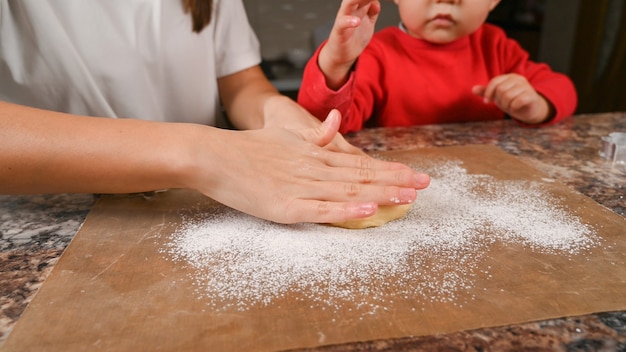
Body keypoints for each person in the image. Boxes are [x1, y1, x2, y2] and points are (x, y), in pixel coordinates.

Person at [0, 0, 430, 224]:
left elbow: (241, 84)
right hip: (55, 217)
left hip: (197, 206)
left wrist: (280, 114)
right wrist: (203, 152)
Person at [297, 0, 578, 134]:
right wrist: (336, 63)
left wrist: (535, 104)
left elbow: (562, 88)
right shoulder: (380, 52)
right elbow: (328, 124)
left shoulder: (496, 46)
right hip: (406, 184)